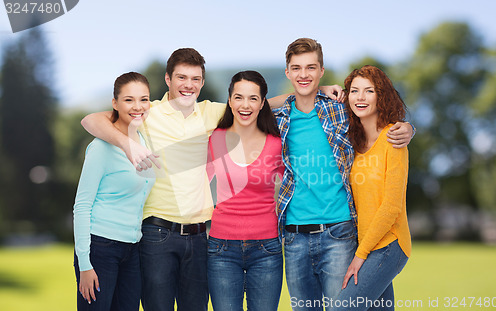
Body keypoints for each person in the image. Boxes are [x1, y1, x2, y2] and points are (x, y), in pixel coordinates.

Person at [81, 48, 344, 311]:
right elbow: (92, 120)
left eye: (195, 79)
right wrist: (128, 145)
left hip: (199, 236)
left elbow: (261, 102)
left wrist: (317, 90)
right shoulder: (149, 112)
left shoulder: (211, 113)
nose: (188, 85)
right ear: (168, 80)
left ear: (203, 83)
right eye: (181, 78)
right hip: (156, 232)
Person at [273, 38, 414, 311]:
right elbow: (250, 105)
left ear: (322, 69)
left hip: (339, 234)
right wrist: (310, 90)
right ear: (287, 72)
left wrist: (408, 128)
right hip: (293, 238)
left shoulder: (340, 110)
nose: (304, 74)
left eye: (311, 68)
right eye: (297, 68)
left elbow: (379, 117)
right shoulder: (279, 118)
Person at [73, 72, 155, 310]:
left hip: (132, 249)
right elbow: (82, 205)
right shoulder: (100, 147)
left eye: (144, 99)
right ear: (115, 104)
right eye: (129, 100)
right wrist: (85, 264)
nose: (137, 106)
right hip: (100, 249)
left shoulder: (144, 140)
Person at [334, 65, 411, 311]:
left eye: (369, 91)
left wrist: (361, 255)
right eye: (355, 91)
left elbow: (391, 207)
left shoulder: (394, 139)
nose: (360, 97)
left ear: (382, 96)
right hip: (366, 244)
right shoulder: (353, 144)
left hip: (389, 245)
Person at [206, 71, 284, 311]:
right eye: (238, 97)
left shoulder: (276, 143)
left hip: (266, 249)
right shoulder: (215, 139)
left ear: (263, 103)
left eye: (253, 98)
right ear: (229, 101)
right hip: (221, 249)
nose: (245, 105)